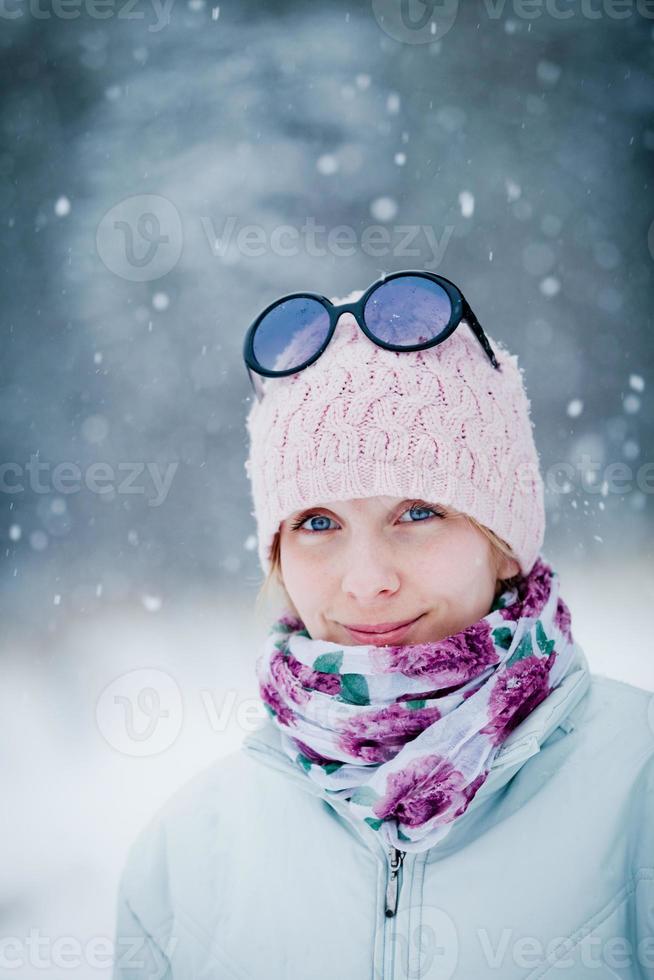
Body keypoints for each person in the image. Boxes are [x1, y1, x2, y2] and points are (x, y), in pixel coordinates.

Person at [112, 272, 654, 980]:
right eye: (317, 523)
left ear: (504, 539)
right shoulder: (185, 858)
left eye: (419, 512)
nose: (367, 579)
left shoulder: (638, 791)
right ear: (277, 554)